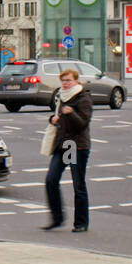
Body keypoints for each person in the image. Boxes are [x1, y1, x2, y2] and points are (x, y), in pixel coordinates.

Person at [42, 67, 93, 232]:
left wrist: (71, 113)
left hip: (76, 145)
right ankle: (57, 217)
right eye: (63, 80)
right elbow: (58, 118)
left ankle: (81, 223)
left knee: (78, 184)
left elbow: (83, 123)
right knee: (51, 179)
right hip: (62, 144)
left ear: (76, 82)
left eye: (68, 80)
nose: (65, 83)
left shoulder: (83, 98)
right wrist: (53, 119)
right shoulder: (60, 97)